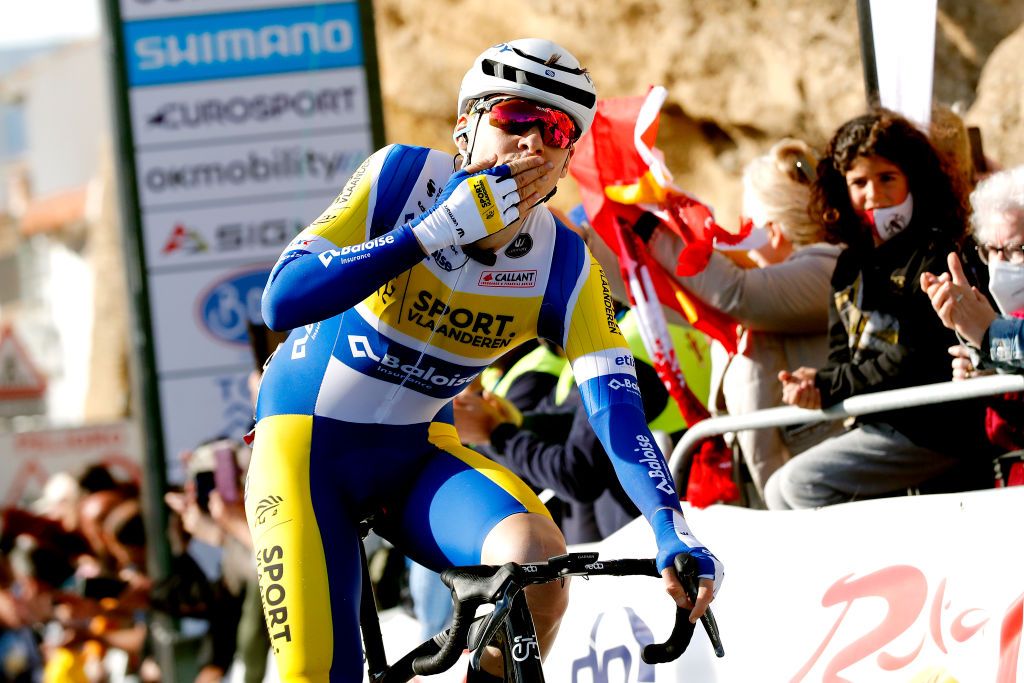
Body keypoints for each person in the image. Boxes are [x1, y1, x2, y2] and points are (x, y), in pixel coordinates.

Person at [246, 38, 723, 683]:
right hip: (304, 448)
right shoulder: (401, 178)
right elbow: (282, 300)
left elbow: (617, 412)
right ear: (466, 128)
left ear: (565, 161)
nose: (532, 143)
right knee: (319, 671)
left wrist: (672, 528)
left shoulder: (564, 262)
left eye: (555, 130)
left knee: (536, 567)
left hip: (415, 453)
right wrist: (430, 233)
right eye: (513, 119)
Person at [764, 109, 991, 510]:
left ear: (914, 181)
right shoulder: (848, 266)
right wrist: (813, 383)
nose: (874, 194)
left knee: (801, 485)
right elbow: (842, 356)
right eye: (859, 182)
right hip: (879, 424)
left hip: (933, 431)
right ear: (840, 190)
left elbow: (913, 355)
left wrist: (831, 385)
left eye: (887, 178)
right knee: (776, 490)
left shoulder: (935, 251)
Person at [639, 138, 841, 503]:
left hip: (812, 483)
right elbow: (662, 300)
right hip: (766, 484)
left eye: (748, 224)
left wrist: (649, 227)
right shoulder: (767, 281)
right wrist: (597, 243)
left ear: (773, 229)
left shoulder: (827, 265)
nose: (740, 235)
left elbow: (738, 295)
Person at [922, 166, 1024, 455]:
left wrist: (989, 336)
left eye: (1018, 248)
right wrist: (982, 363)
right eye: (991, 249)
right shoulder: (1001, 316)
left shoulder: (999, 325)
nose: (1001, 263)